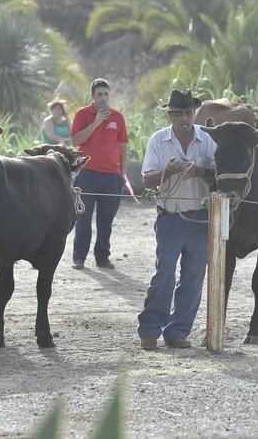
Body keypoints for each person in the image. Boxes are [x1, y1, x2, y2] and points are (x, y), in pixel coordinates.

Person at [137, 89, 217, 350]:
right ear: (170, 115)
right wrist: (167, 172)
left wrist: (201, 171)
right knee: (165, 273)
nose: (184, 118)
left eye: (188, 113)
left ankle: (177, 331)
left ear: (194, 114)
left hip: (200, 216)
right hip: (170, 215)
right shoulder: (158, 141)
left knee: (193, 277)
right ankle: (149, 329)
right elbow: (147, 180)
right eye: (179, 113)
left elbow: (219, 176)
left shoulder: (207, 140)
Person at [70, 78, 129, 270]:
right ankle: (79, 257)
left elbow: (123, 147)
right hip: (86, 173)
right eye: (99, 94)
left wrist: (122, 174)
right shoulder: (82, 114)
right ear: (92, 96)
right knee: (83, 218)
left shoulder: (117, 117)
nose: (103, 98)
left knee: (106, 220)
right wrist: (96, 122)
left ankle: (102, 256)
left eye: (105, 94)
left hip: (111, 177)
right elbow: (76, 140)